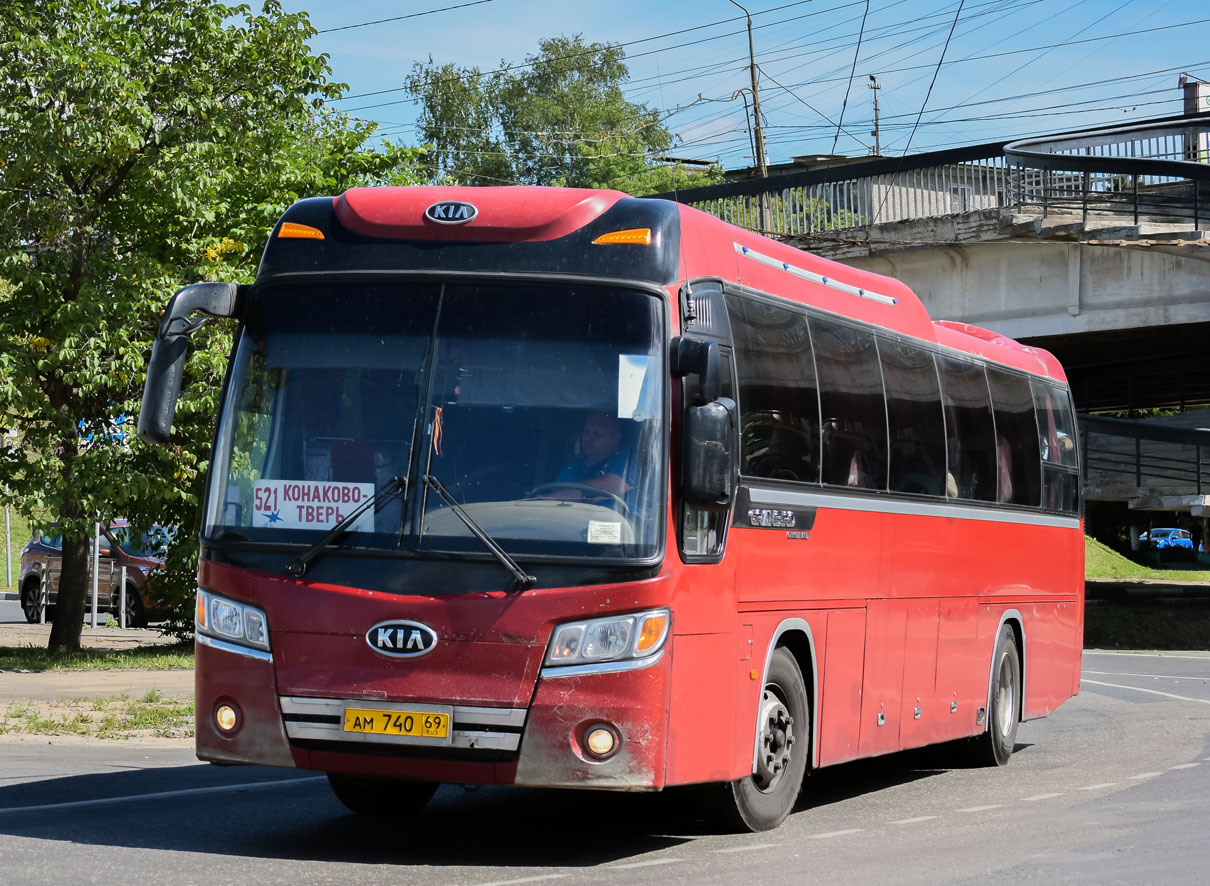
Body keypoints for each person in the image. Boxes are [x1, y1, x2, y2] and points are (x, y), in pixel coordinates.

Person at [546, 411, 631, 500]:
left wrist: (553, 497)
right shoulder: (571, 469)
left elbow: (610, 485)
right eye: (586, 432)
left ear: (615, 438)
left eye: (597, 434)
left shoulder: (626, 463)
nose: (589, 438)